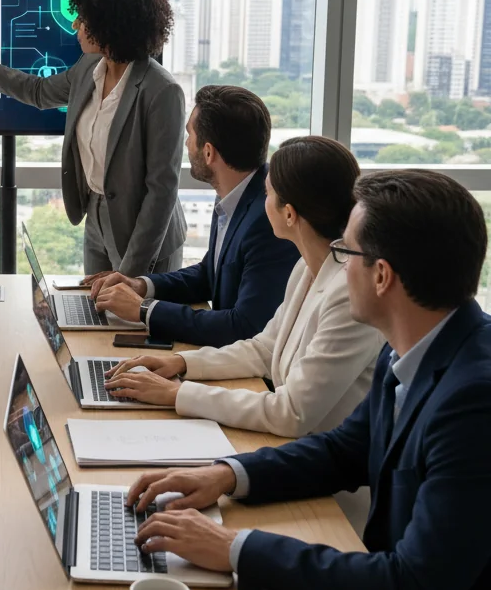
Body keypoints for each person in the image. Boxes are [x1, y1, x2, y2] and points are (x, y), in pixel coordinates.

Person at [125, 171, 491, 590]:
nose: (337, 262)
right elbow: (343, 450)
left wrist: (234, 549)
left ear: (383, 276)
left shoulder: (475, 400)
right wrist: (225, 475)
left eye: (348, 251)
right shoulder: (414, 347)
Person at [105, 136, 383, 440]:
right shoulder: (308, 267)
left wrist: (178, 394)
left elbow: (291, 412)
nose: (261, 204)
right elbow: (264, 348)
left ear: (289, 214)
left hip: (329, 478)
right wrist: (180, 363)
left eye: (267, 193)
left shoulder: (347, 293)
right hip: (290, 446)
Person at [0, 0, 186, 276]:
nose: (74, 25)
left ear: (111, 23)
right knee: (95, 318)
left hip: (146, 235)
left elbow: (161, 193)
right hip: (96, 218)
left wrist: (130, 274)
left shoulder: (162, 91)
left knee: (135, 321)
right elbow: (37, 91)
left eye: (83, 17)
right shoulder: (88, 67)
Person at [88, 85, 299, 345]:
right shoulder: (235, 195)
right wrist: (142, 286)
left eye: (189, 134)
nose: (186, 143)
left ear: (209, 152)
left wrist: (144, 310)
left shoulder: (267, 219)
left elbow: (245, 326)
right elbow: (209, 274)